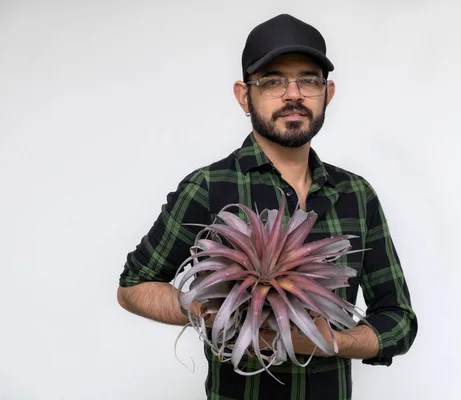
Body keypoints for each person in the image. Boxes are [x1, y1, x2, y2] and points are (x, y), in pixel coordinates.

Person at [117, 13, 417, 400]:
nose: (293, 94)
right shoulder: (209, 186)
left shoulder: (356, 194)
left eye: (309, 80)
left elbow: (399, 321)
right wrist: (209, 312)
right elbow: (133, 287)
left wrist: (331, 342)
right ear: (244, 95)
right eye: (273, 81)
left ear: (328, 93)